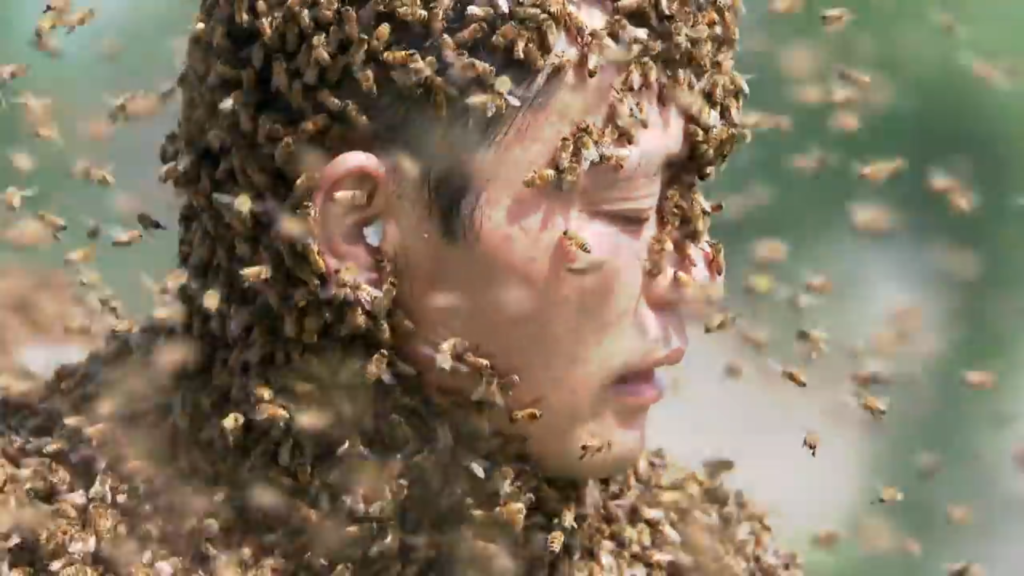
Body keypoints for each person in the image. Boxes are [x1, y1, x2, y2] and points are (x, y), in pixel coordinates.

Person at [2, 0, 801, 574]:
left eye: (683, 205)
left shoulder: (709, 558)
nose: (691, 280)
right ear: (359, 232)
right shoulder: (40, 529)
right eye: (627, 210)